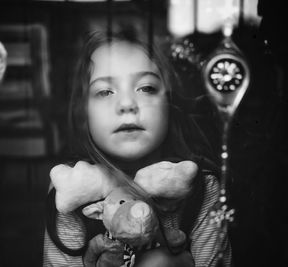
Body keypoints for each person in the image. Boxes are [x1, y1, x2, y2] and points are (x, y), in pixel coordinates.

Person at [43, 29, 232, 267]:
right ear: (83, 112)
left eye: (146, 88)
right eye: (105, 91)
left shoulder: (201, 187)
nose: (127, 104)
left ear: (169, 104)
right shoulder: (70, 190)